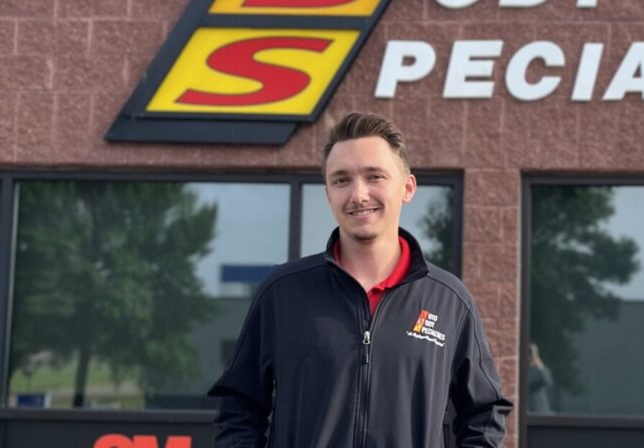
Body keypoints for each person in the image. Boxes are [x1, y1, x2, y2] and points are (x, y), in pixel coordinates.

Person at [208, 112, 513, 447]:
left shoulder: (449, 301)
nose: (359, 194)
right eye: (342, 180)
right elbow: (238, 407)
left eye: (374, 176)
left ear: (407, 187)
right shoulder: (282, 293)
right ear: (328, 194)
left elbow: (484, 414)